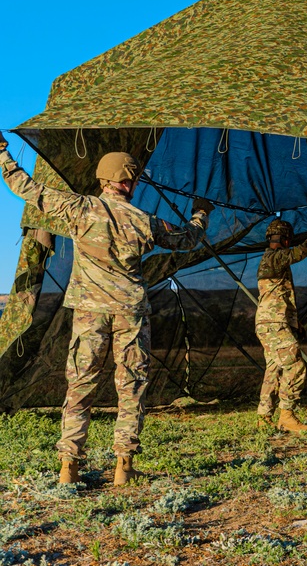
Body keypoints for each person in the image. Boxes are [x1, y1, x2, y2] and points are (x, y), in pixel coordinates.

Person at [0, 134, 212, 486]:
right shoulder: (145, 220)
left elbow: (26, 187)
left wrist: (3, 155)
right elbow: (187, 240)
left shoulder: (79, 208)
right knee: (131, 385)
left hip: (88, 313)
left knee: (81, 385)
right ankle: (123, 466)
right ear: (129, 181)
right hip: (130, 312)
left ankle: (69, 466)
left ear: (103, 179)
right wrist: (201, 213)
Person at [255, 214, 307, 434]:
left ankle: (264, 417)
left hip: (271, 321)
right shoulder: (275, 257)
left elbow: (279, 295)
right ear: (286, 239)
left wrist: (294, 323)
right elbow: (302, 252)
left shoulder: (270, 258)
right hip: (273, 322)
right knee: (295, 365)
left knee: (274, 368)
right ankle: (287, 416)